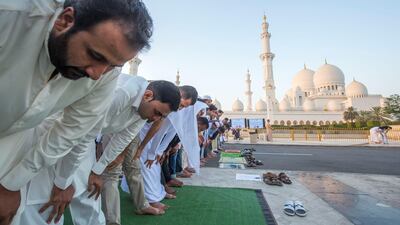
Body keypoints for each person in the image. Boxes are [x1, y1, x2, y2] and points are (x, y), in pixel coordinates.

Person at [0, 1, 153, 224]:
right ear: (66, 20)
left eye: (113, 65)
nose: (96, 74)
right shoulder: (11, 14)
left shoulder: (104, 77)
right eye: (96, 55)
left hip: (15, 140)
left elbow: (72, 131)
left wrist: (11, 184)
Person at [18, 74, 180, 225]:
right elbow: (82, 133)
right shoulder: (122, 93)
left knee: (89, 190)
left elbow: (123, 138)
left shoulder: (146, 110)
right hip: (55, 132)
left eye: (162, 117)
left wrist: (97, 171)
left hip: (84, 137)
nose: (155, 119)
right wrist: (62, 183)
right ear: (147, 95)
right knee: (47, 198)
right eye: (157, 113)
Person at [101, 85, 198, 224]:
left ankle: (142, 205)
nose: (154, 118)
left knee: (134, 167)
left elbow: (151, 125)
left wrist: (142, 148)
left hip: (133, 132)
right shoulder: (127, 94)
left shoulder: (159, 107)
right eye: (182, 105)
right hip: (114, 126)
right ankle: (112, 221)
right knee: (112, 172)